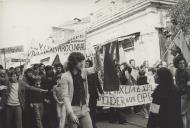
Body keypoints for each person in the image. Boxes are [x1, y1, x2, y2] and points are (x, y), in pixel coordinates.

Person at [60, 47, 101, 128]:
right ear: (73, 63)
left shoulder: (84, 71)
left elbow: (97, 68)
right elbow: (65, 96)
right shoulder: (65, 76)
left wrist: (97, 55)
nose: (82, 64)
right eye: (79, 62)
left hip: (84, 109)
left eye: (82, 61)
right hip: (73, 109)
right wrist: (70, 113)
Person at [85, 59, 104, 128]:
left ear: (90, 64)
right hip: (87, 95)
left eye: (87, 63)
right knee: (88, 110)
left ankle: (93, 124)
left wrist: (101, 92)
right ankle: (89, 125)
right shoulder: (84, 73)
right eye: (85, 63)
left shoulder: (94, 73)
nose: (85, 64)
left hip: (94, 95)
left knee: (93, 110)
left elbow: (98, 83)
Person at [174, 56, 190, 128]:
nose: (182, 65)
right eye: (180, 63)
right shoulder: (177, 71)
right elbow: (177, 83)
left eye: (183, 63)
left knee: (183, 114)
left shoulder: (187, 72)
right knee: (185, 114)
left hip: (186, 94)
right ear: (177, 64)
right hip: (180, 94)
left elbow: (188, 85)